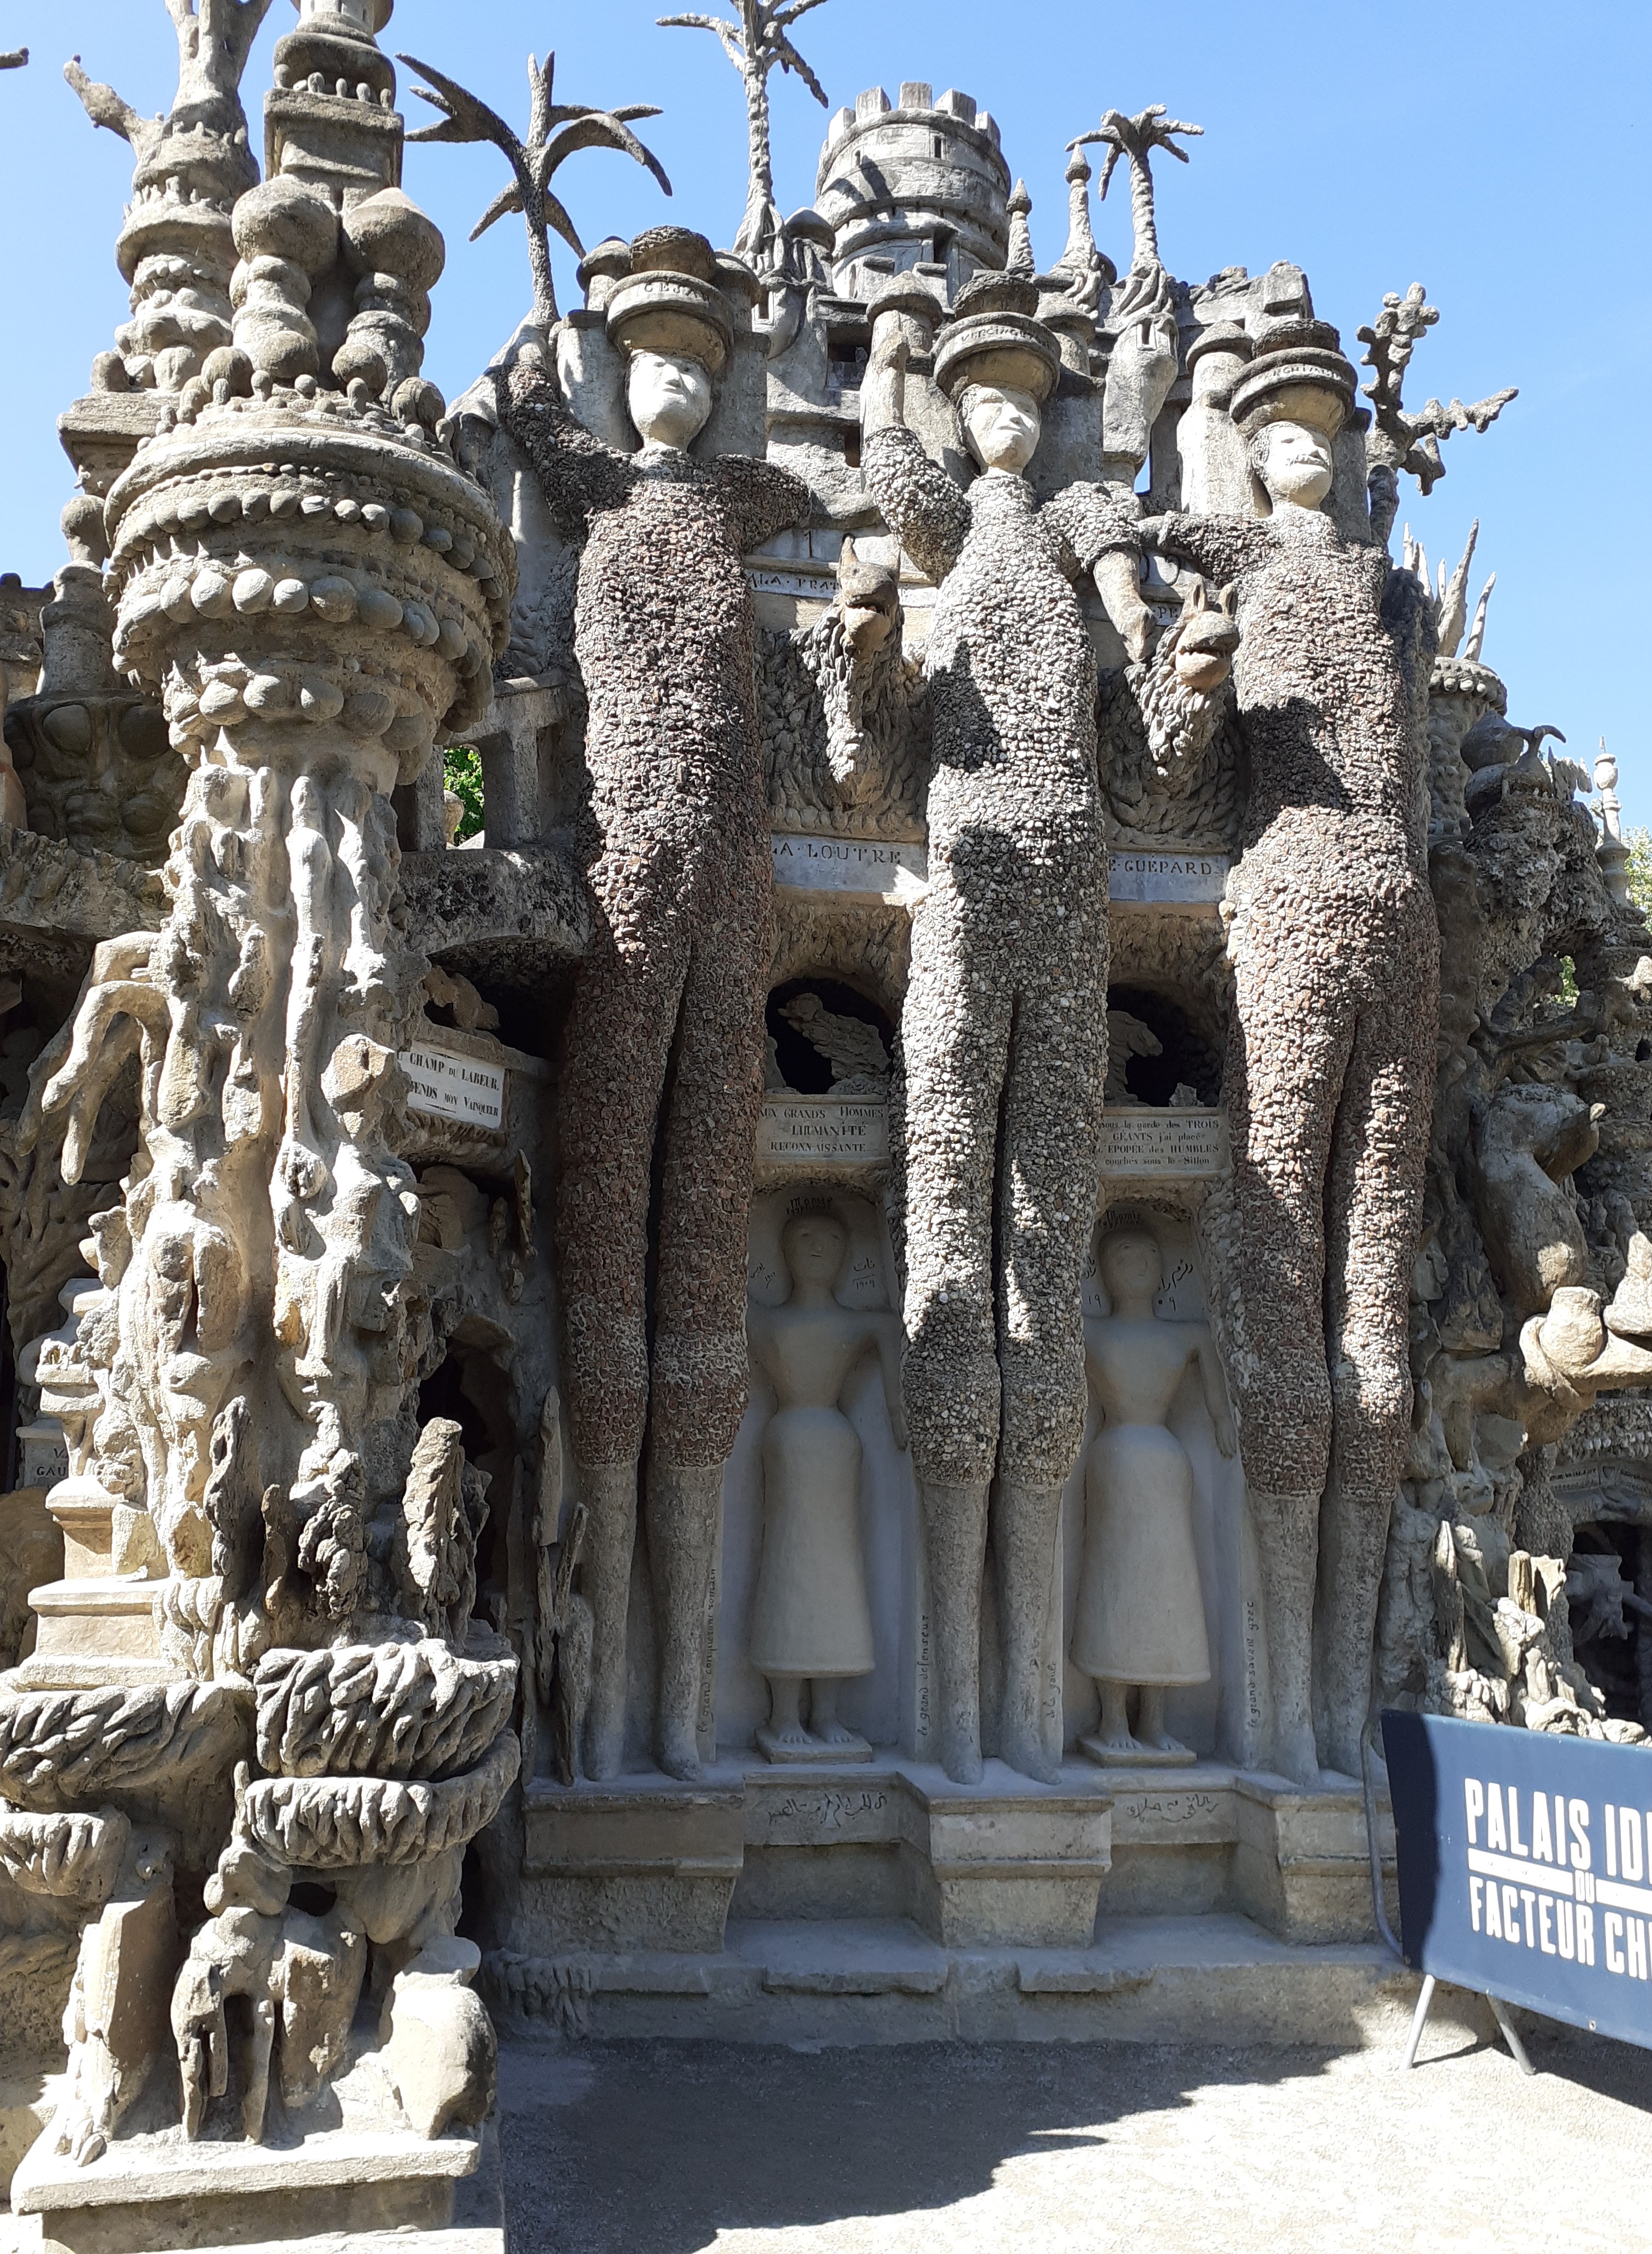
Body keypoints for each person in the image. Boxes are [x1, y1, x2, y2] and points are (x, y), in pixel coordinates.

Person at [500, 226, 810, 1781]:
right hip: (624, 877)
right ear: (616, 377)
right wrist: (535, 328)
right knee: (607, 1237)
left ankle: (681, 1702)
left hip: (732, 894)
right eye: (651, 361)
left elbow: (817, 493)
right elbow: (527, 420)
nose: (675, 383)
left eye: (700, 361)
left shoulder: (740, 503)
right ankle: (604, 1697)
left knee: (700, 1249)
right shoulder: (602, 495)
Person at [860, 234, 1153, 1785]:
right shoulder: (943, 523)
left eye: (1027, 404)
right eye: (983, 402)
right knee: (948, 1234)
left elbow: (1125, 581)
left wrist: (1143, 617)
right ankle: (956, 1716)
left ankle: (1030, 1713)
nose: (1008, 424)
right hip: (968, 869)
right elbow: (889, 469)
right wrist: (889, 352)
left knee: (1045, 1237)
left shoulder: (1076, 517)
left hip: (1072, 880)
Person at [1134, 321, 1440, 1781]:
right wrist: (1187, 678)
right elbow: (1178, 762)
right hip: (1289, 905)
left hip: (1399, 920)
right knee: (1278, 1262)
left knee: (1372, 1307)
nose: (1305, 444)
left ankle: (1339, 1704)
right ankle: (1278, 1712)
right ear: (1244, 453)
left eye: (1324, 424)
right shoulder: (1231, 564)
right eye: (1276, 429)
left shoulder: (1385, 590)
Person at [747, 1205, 907, 1759]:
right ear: (785, 1251)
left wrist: (903, 1412)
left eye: (832, 1240)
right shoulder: (766, 1322)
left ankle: (828, 1713)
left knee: (837, 1580)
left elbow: (890, 1335)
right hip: (791, 1446)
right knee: (786, 1571)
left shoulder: (860, 1324)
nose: (818, 1247)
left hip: (836, 1453)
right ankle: (784, 1713)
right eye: (806, 1237)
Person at [1073, 1226, 1234, 1765]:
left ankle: (1157, 1720)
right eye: (1125, 1251)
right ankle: (1113, 1717)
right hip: (1117, 1459)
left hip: (1165, 1466)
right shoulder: (1090, 1332)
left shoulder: (1190, 1336)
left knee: (1169, 1590)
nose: (1139, 1260)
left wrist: (1225, 1422)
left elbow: (1219, 1399)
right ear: (1103, 1270)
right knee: (1115, 1584)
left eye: (1148, 1251)